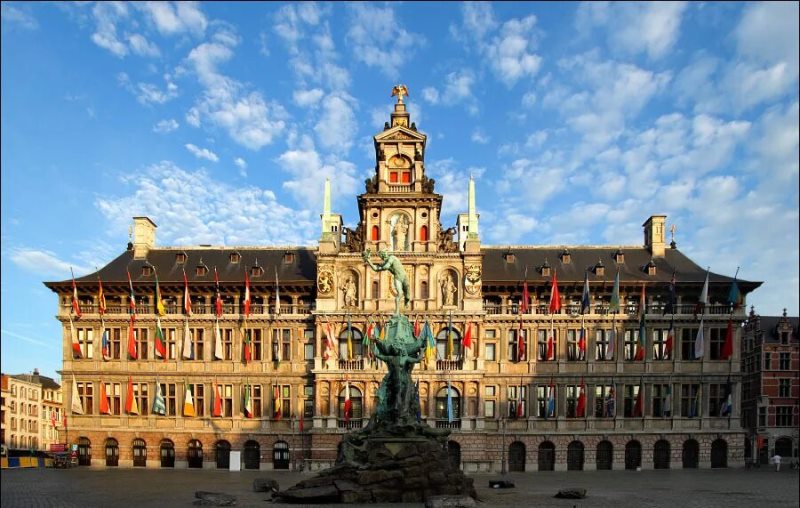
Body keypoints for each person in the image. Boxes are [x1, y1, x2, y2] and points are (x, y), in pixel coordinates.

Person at [363, 249, 410, 313]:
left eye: (383, 255)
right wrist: (368, 261)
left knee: (407, 292)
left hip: (404, 276)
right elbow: (375, 268)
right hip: (397, 277)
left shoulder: (392, 257)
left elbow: (386, 266)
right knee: (400, 293)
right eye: (381, 256)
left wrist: (382, 266)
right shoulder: (385, 263)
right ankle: (397, 311)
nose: (382, 257)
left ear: (385, 254)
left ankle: (407, 301)